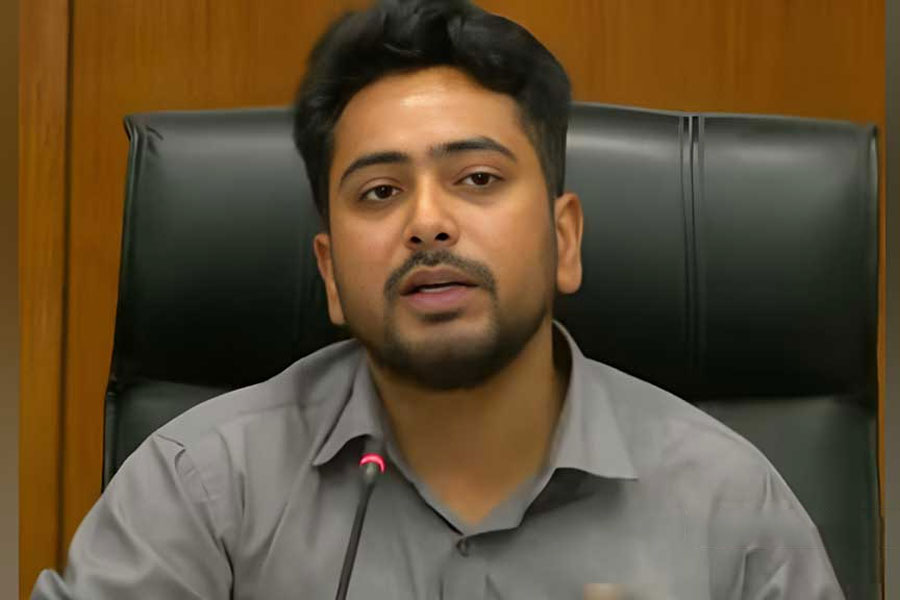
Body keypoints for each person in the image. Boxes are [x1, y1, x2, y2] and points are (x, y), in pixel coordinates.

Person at [33, 0, 845, 598]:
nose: (427, 223)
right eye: (380, 192)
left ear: (564, 239)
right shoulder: (203, 489)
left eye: (478, 178)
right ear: (330, 275)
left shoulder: (726, 507)